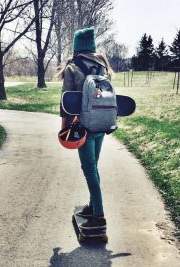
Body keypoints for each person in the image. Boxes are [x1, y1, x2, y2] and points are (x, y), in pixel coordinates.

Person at [58, 27, 114, 230]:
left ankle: (98, 214)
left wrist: (64, 128)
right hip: (102, 124)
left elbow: (66, 102)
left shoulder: (73, 67)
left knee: (89, 169)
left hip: (83, 127)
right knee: (94, 167)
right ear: (92, 46)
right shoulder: (102, 66)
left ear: (76, 47)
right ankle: (92, 206)